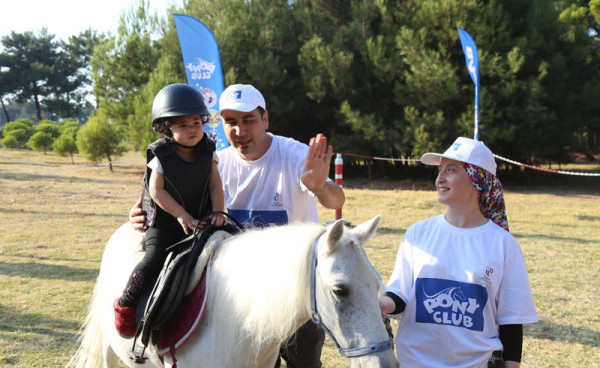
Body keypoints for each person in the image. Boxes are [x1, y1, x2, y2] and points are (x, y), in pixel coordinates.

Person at [129, 83, 345, 367]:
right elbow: (173, 197)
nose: (239, 130)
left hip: (295, 285)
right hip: (244, 290)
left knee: (304, 362)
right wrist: (143, 212)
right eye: (230, 121)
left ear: (265, 119)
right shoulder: (215, 161)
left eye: (248, 120)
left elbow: (336, 199)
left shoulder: (293, 153)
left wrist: (319, 188)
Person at [379, 137, 538, 368]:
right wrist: (383, 304)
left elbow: (511, 321)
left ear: (477, 180)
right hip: (414, 363)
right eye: (440, 170)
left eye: (451, 170)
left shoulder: (504, 244)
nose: (440, 179)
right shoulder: (417, 233)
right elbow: (399, 294)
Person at [114, 83, 226, 338]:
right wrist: (181, 215)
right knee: (153, 258)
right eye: (183, 125)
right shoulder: (161, 156)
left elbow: (215, 185)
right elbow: (156, 191)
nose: (192, 130)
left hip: (201, 222)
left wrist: (219, 212)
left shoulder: (209, 152)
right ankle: (126, 303)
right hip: (164, 224)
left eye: (196, 123)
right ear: (166, 128)